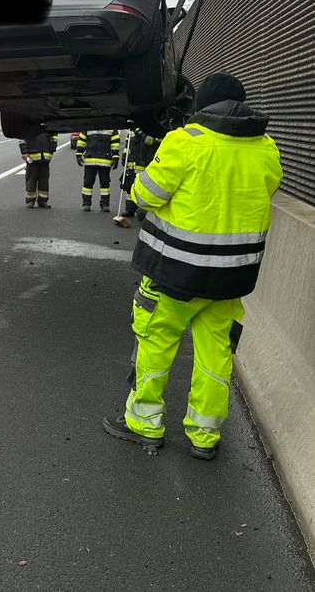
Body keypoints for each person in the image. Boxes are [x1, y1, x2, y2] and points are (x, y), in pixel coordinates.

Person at [103, 72, 283, 460]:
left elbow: (147, 195)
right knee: (216, 355)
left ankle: (143, 425)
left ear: (201, 107)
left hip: (175, 274)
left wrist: (137, 183)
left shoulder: (186, 142)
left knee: (156, 344)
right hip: (231, 278)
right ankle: (205, 436)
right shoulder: (267, 148)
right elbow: (264, 191)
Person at [120, 128, 163, 217]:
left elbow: (149, 141)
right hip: (133, 163)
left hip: (145, 164)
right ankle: (130, 209)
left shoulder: (154, 131)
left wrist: (139, 132)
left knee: (143, 188)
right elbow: (128, 145)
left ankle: (142, 211)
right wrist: (124, 156)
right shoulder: (132, 132)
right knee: (130, 187)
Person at [76, 129, 120, 212]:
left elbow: (115, 143)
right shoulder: (89, 125)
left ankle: (105, 205)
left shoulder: (111, 127)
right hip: (90, 160)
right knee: (88, 183)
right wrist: (79, 153)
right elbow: (81, 140)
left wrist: (115, 157)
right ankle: (86, 204)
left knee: (105, 184)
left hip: (105, 161)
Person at [20, 129, 58, 207]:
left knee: (44, 180)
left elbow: (54, 134)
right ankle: (30, 200)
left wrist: (53, 146)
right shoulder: (28, 122)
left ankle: (43, 200)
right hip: (32, 156)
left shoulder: (48, 121)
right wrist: (24, 152)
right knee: (31, 179)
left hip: (45, 156)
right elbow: (22, 138)